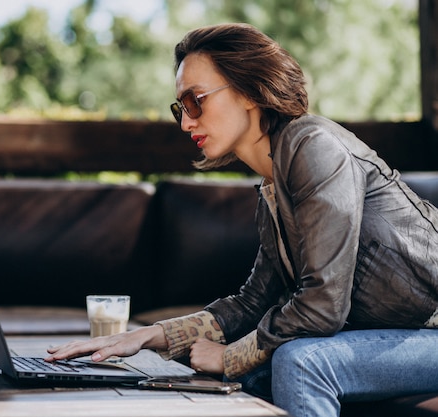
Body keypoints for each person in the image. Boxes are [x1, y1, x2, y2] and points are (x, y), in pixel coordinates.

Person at [46, 23, 438, 417]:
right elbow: (254, 302)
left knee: (301, 361)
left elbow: (322, 306)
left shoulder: (315, 147)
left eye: (195, 101)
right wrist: (149, 336)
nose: (185, 122)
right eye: (180, 108)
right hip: (405, 336)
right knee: (242, 373)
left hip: (429, 333)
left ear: (250, 91)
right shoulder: (273, 187)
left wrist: (231, 357)